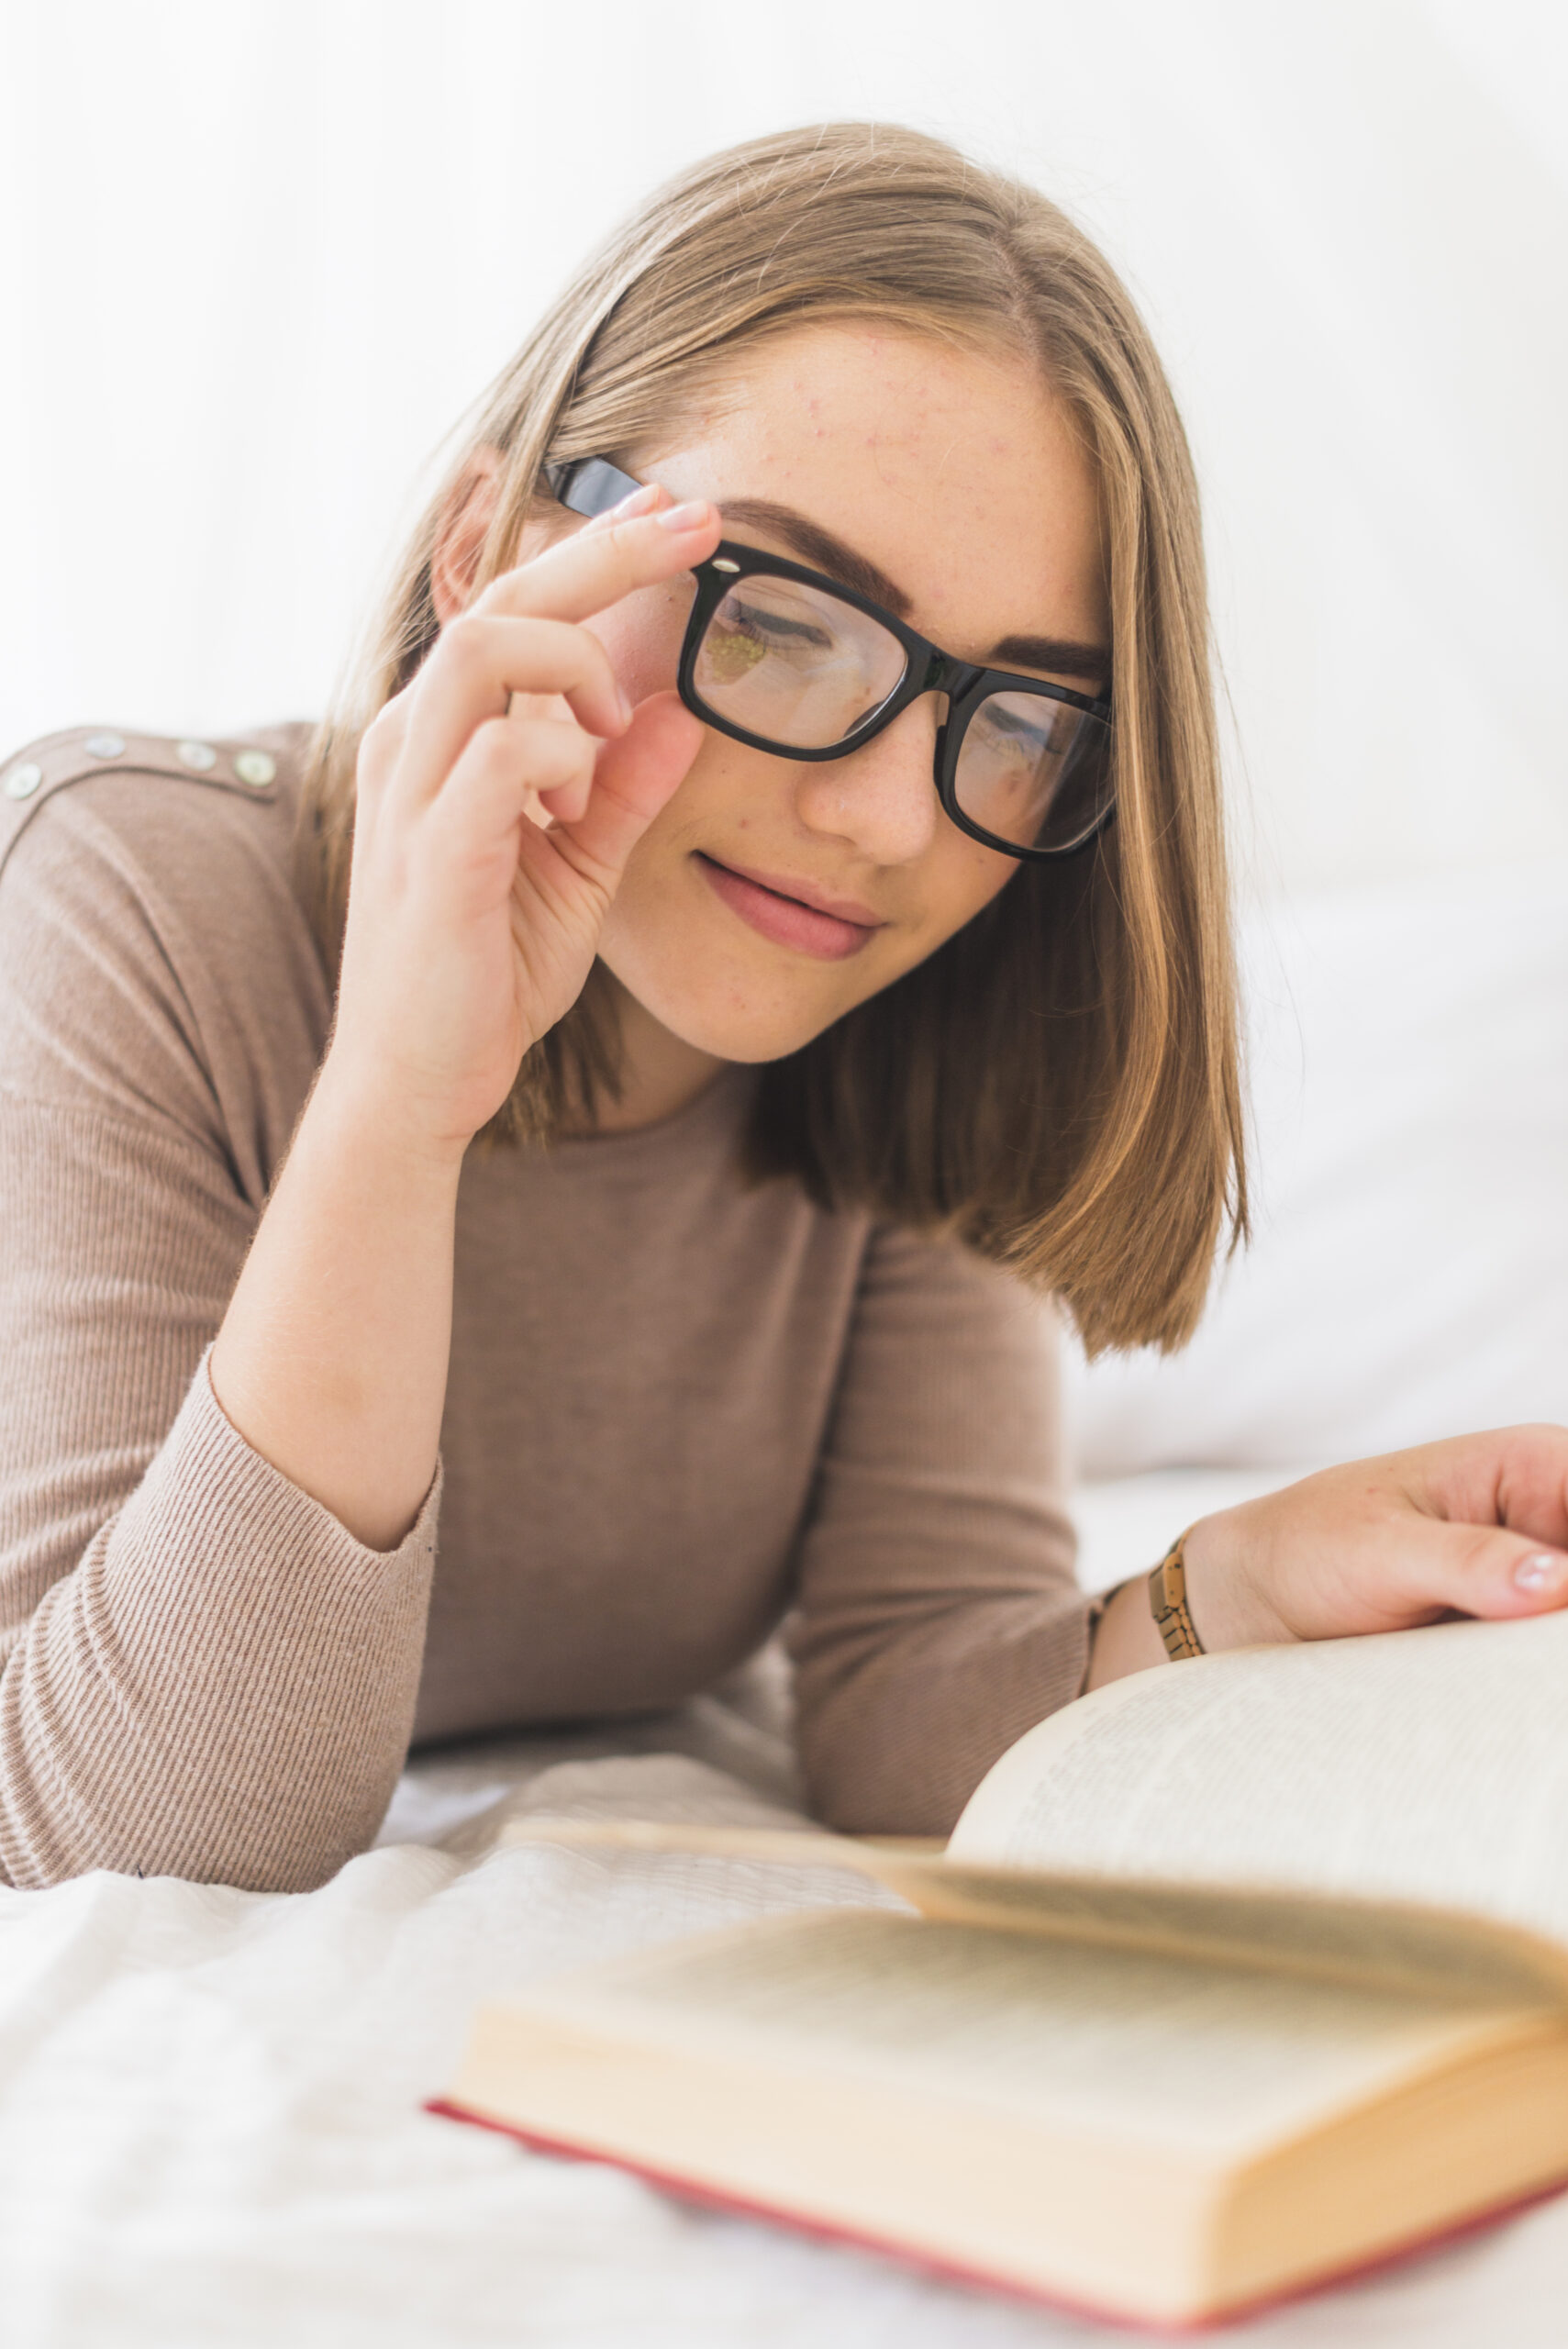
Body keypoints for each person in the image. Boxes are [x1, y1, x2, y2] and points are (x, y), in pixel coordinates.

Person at [1, 124, 1563, 1898]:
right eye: (787, 623)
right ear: (489, 556)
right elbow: (132, 1829)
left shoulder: (901, 1007)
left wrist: (1237, 1585)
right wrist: (398, 1102)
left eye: (1025, 716)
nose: (892, 823)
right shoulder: (119, 896)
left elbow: (905, 1703)